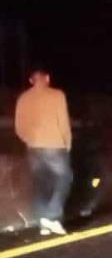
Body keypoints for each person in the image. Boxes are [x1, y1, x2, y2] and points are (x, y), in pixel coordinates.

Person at [14, 69, 73, 235]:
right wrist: (67, 142)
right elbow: (63, 121)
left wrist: (29, 140)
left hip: (33, 147)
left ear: (31, 81)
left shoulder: (23, 98)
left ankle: (44, 223)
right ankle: (52, 216)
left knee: (41, 184)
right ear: (47, 78)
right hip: (54, 144)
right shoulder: (57, 95)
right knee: (65, 177)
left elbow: (19, 126)